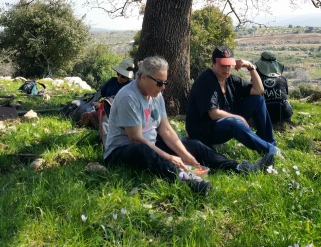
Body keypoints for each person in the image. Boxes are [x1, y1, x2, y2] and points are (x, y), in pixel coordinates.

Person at [104, 55, 275, 196]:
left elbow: (165, 129)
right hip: (122, 150)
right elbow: (136, 139)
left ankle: (239, 168)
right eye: (159, 83)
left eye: (165, 83)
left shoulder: (155, 95)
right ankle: (187, 179)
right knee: (146, 151)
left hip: (151, 143)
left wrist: (185, 154)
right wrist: (170, 157)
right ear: (143, 77)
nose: (163, 88)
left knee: (195, 146)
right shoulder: (129, 97)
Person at [186, 46, 280, 158]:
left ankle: (268, 143)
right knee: (234, 122)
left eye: (229, 65)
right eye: (222, 65)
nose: (226, 69)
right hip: (203, 131)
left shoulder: (230, 79)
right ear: (213, 63)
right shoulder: (206, 81)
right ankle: (270, 150)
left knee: (257, 100)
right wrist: (238, 118)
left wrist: (251, 67)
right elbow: (214, 113)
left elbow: (259, 90)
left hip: (224, 122)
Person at [255, 51, 293, 126]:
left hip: (264, 116)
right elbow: (285, 96)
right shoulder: (282, 79)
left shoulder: (256, 81)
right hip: (284, 114)